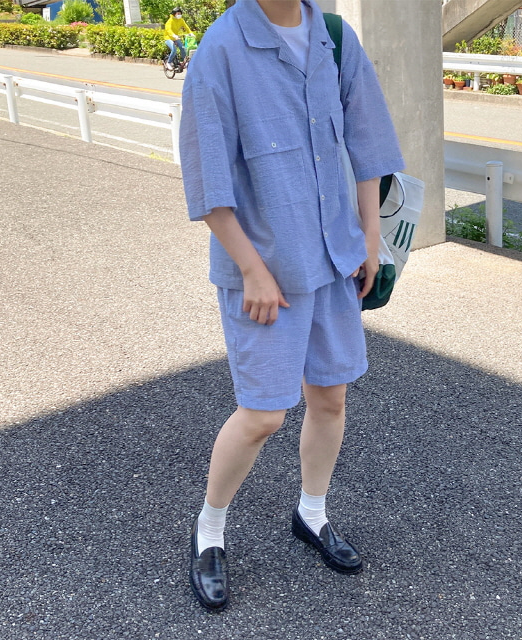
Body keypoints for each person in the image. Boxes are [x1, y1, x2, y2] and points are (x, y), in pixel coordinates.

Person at [179, 0, 404, 612]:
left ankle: (312, 513)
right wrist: (250, 270)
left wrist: (370, 237)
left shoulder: (333, 35)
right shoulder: (221, 49)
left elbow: (367, 140)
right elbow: (207, 178)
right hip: (266, 269)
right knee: (262, 415)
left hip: (334, 257)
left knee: (330, 397)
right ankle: (208, 531)